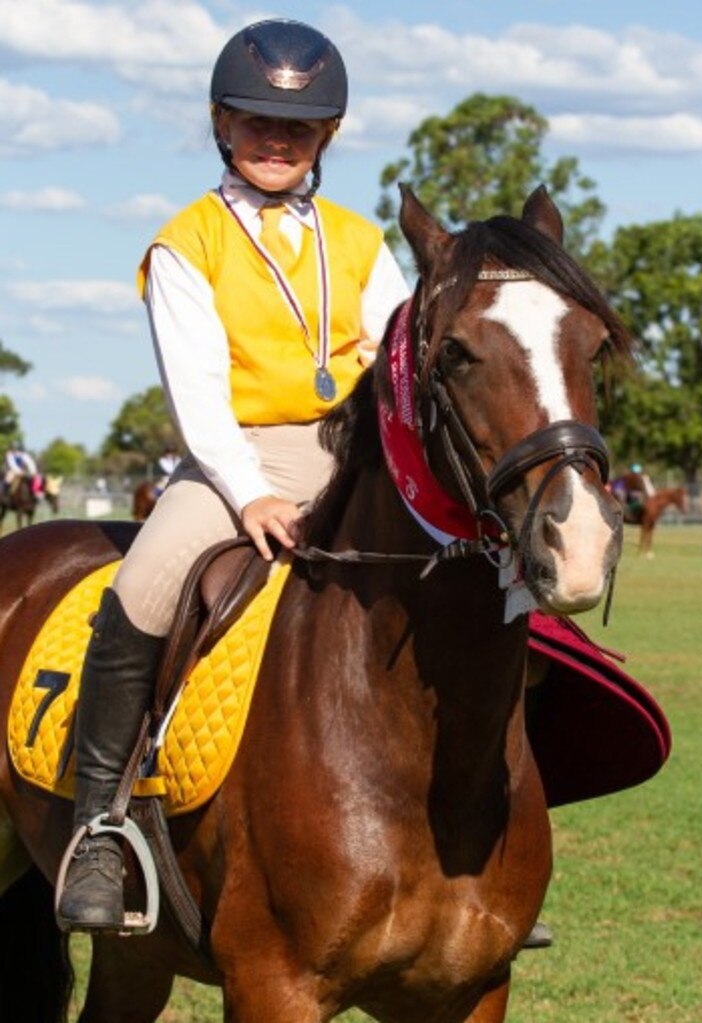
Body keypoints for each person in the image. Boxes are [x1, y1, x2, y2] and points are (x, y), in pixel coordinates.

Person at [56, 17, 410, 932]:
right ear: (221, 123)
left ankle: (479, 825)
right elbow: (197, 390)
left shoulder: (360, 240)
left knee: (483, 574)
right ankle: (97, 823)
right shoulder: (188, 244)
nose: (276, 140)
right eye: (256, 121)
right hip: (236, 457)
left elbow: (399, 352)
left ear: (327, 136)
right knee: (144, 582)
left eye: (296, 128)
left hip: (354, 450)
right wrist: (247, 488)